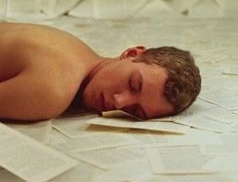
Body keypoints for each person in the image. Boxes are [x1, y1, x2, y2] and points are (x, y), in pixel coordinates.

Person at [0, 21, 201, 121]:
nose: (119, 102)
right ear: (131, 53)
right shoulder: (53, 91)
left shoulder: (74, 47)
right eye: (133, 84)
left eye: (135, 112)